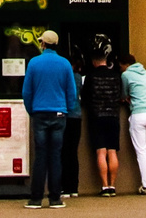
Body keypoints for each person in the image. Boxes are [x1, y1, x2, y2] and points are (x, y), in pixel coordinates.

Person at [19, 31, 78, 209]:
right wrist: (65, 109)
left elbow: (26, 92)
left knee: (41, 156)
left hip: (39, 113)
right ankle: (55, 198)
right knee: (55, 156)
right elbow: (72, 93)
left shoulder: (34, 63)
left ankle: (36, 198)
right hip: (59, 113)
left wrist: (32, 110)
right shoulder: (65, 64)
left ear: (43, 44)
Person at [80, 51, 122, 196]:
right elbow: (119, 95)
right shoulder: (116, 75)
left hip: (96, 117)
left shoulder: (91, 76)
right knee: (112, 151)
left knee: (101, 152)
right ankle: (113, 185)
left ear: (93, 61)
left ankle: (104, 186)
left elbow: (85, 97)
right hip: (113, 116)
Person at [115, 54, 146, 196]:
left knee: (141, 151)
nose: (120, 70)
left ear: (125, 65)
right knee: (145, 150)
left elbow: (123, 94)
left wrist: (125, 99)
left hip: (138, 114)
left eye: (120, 67)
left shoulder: (126, 75)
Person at [58, 53, 82, 198]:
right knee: (73, 152)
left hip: (65, 115)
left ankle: (64, 187)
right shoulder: (79, 77)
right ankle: (74, 187)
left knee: (62, 152)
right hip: (77, 116)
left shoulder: (65, 76)